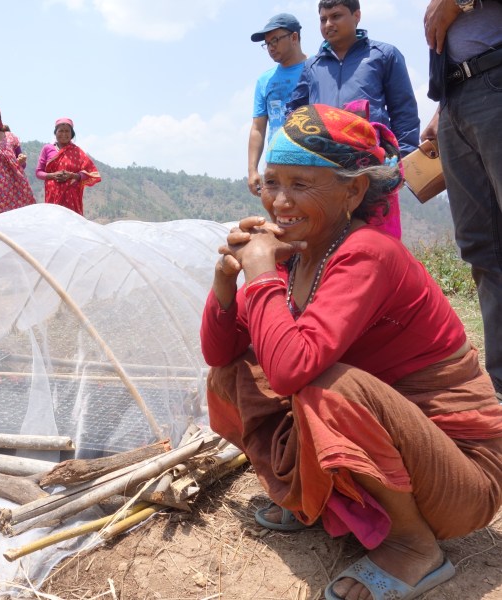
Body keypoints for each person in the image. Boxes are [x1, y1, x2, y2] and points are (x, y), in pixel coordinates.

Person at [201, 104, 502, 600]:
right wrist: (226, 283)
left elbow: (293, 371)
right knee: (230, 377)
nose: (280, 201)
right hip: (403, 448)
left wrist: (260, 278)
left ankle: (414, 548)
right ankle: (312, 499)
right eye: (272, 182)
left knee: (323, 388)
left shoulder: (367, 252)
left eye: (301, 184)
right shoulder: (296, 251)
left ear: (354, 190)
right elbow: (221, 354)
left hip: (460, 477)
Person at [422, 0, 502, 399]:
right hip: (458, 95)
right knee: (481, 248)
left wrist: (458, 1)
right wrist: (444, 105)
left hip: (495, 78)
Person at [286, 0, 419, 238]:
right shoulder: (311, 67)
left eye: (336, 16)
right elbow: (294, 112)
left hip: (372, 164)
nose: (328, 24)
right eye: (323, 19)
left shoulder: (384, 55)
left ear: (357, 15)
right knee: (326, 235)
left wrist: (402, 160)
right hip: (323, 165)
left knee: (375, 233)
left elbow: (404, 111)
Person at [247, 13, 307, 197]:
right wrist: (252, 170)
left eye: (275, 40)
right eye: (267, 44)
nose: (271, 48)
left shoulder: (316, 70)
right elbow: (258, 127)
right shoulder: (265, 80)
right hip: (276, 163)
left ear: (294, 37)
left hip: (310, 163)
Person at [34, 118, 101, 216]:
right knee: (53, 222)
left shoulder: (77, 152)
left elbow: (89, 173)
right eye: (61, 131)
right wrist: (53, 175)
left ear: (72, 134)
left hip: (72, 197)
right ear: (55, 133)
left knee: (71, 225)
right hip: (53, 194)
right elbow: (38, 172)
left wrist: (72, 175)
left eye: (67, 131)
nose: (64, 134)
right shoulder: (47, 149)